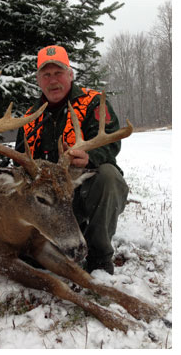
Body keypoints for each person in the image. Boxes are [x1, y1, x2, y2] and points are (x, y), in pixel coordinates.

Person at [15, 45, 129, 275]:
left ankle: (99, 257)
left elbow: (111, 145)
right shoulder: (29, 118)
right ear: (39, 80)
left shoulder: (93, 103)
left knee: (108, 176)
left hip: (82, 190)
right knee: (33, 258)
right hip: (48, 203)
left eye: (58, 73)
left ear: (70, 74)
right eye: (46, 75)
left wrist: (90, 157)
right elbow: (21, 160)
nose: (53, 80)